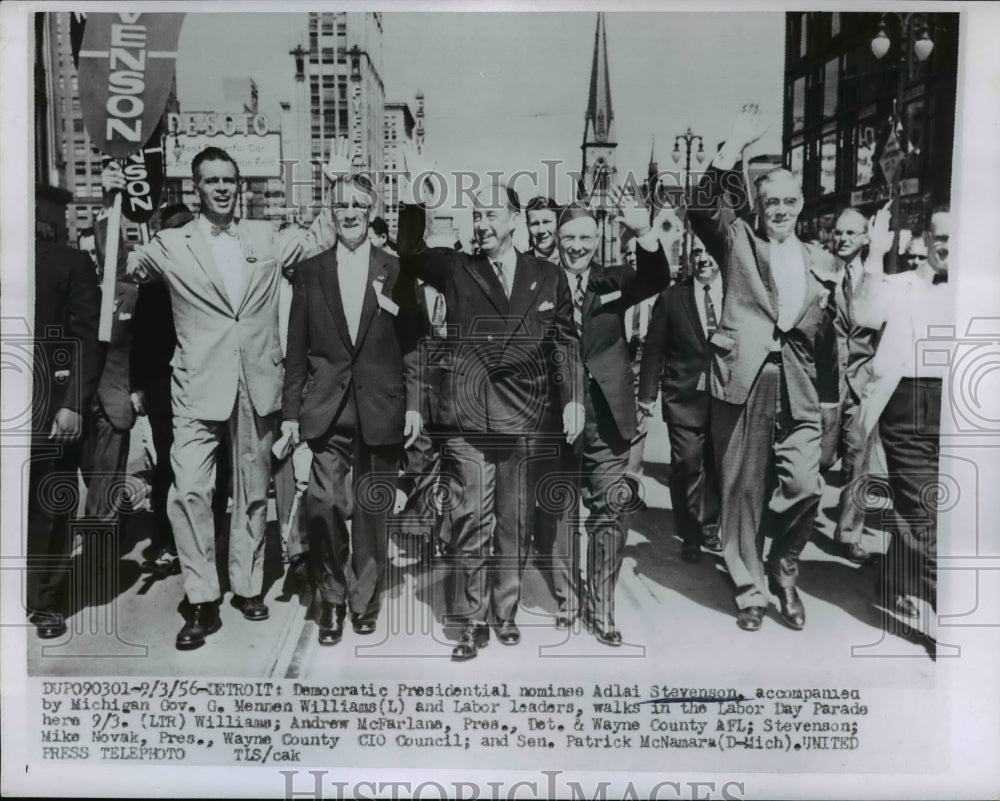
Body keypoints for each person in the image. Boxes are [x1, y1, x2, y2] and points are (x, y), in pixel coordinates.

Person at [101, 146, 337, 650]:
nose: (223, 188)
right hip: (194, 386)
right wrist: (111, 200)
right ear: (197, 189)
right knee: (187, 490)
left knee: (253, 492)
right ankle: (202, 597)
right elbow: (120, 267)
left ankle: (249, 585)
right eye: (212, 181)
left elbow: (323, 238)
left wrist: (332, 185)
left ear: (240, 185)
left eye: (229, 179)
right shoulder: (171, 242)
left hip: (258, 384)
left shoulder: (266, 235)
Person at [396, 146, 583, 661]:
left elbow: (565, 342)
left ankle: (505, 612)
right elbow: (409, 252)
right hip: (469, 422)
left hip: (526, 419)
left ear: (514, 220)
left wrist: (572, 400)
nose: (480, 224)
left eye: (489, 215)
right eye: (475, 215)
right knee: (470, 520)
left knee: (513, 522)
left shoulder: (547, 276)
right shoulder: (457, 268)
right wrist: (416, 194)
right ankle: (473, 620)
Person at [686, 104, 840, 632]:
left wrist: (831, 402)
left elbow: (826, 341)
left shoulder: (821, 261)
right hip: (744, 378)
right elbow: (702, 209)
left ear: (801, 205)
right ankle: (749, 589)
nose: (778, 208)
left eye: (788, 201)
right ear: (758, 203)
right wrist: (731, 146)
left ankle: (783, 566)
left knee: (806, 485)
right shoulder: (738, 242)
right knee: (742, 490)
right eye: (769, 200)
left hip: (798, 385)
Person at [282, 140, 422, 646]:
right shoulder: (310, 271)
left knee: (370, 512)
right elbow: (296, 348)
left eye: (359, 207)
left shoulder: (397, 268)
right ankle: (331, 595)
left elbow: (413, 344)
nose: (350, 214)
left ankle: (361, 602)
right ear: (332, 211)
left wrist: (413, 405)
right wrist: (292, 415)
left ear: (372, 212)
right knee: (320, 505)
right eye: (341, 206)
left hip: (381, 408)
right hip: (325, 410)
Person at [546, 197, 672, 645]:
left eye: (584, 238)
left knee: (610, 510)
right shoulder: (540, 281)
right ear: (556, 241)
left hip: (608, 416)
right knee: (560, 510)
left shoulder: (614, 279)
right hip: (557, 415)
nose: (576, 247)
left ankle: (601, 608)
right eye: (568, 239)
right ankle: (566, 600)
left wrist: (644, 234)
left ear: (596, 239)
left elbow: (659, 277)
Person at [853, 204, 952, 644]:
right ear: (926, 241)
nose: (949, 247)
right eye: (941, 237)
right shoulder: (899, 285)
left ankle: (893, 581)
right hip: (909, 404)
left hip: (961, 406)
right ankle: (958, 620)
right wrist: (875, 255)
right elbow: (864, 314)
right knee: (926, 511)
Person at [27, 237, 102, 638]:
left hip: (49, 409)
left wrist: (73, 401)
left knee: (48, 506)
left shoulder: (67, 261)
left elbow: (87, 336)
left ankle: (45, 600)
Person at [638, 240, 723, 563]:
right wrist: (647, 395)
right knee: (687, 464)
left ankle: (710, 525)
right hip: (683, 397)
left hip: (726, 397)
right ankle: (688, 531)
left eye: (709, 251)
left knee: (717, 464)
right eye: (697, 252)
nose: (703, 258)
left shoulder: (735, 296)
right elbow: (654, 348)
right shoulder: (673, 298)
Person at [826, 207, 882, 564]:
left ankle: (849, 533)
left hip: (863, 384)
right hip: (824, 385)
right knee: (815, 458)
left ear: (865, 239)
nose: (843, 238)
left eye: (851, 233)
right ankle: (791, 522)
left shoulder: (879, 281)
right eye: (838, 232)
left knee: (858, 462)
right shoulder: (820, 275)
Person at [524, 196, 560, 264]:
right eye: (535, 224)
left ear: (558, 224)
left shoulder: (571, 260)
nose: (541, 230)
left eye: (546, 222)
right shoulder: (520, 264)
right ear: (527, 226)